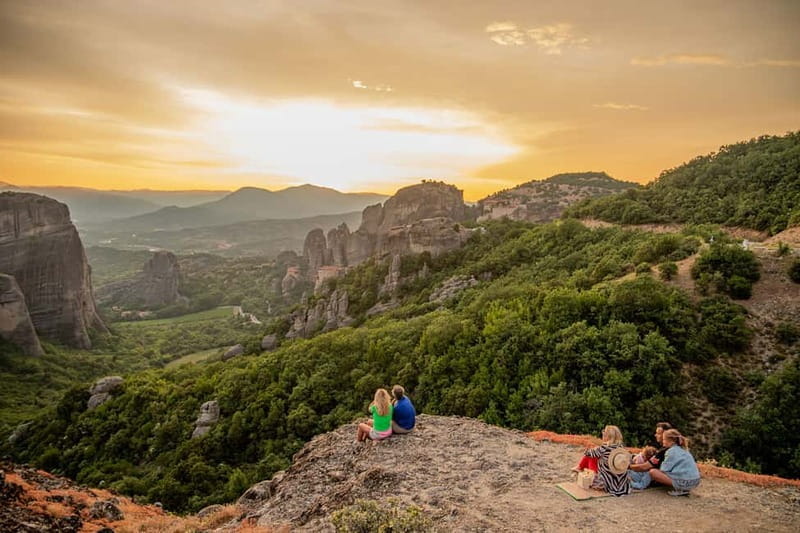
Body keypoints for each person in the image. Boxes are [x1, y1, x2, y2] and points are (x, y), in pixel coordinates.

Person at [648, 429, 701, 496]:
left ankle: (680, 488)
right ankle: (684, 489)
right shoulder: (684, 449)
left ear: (671, 441)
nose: (663, 441)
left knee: (653, 472)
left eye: (664, 439)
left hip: (685, 482)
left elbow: (664, 469)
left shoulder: (670, 451)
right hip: (695, 481)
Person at [582, 425, 632, 496]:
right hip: (621, 481)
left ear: (607, 436)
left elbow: (590, 454)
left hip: (607, 479)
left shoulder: (605, 448)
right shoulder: (621, 447)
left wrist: (588, 449)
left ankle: (602, 484)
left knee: (591, 462)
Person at [629, 422, 672, 489]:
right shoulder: (671, 448)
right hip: (663, 476)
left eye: (658, 433)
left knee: (648, 471)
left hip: (656, 479)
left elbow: (645, 467)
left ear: (665, 434)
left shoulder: (664, 451)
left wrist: (629, 466)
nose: (655, 435)